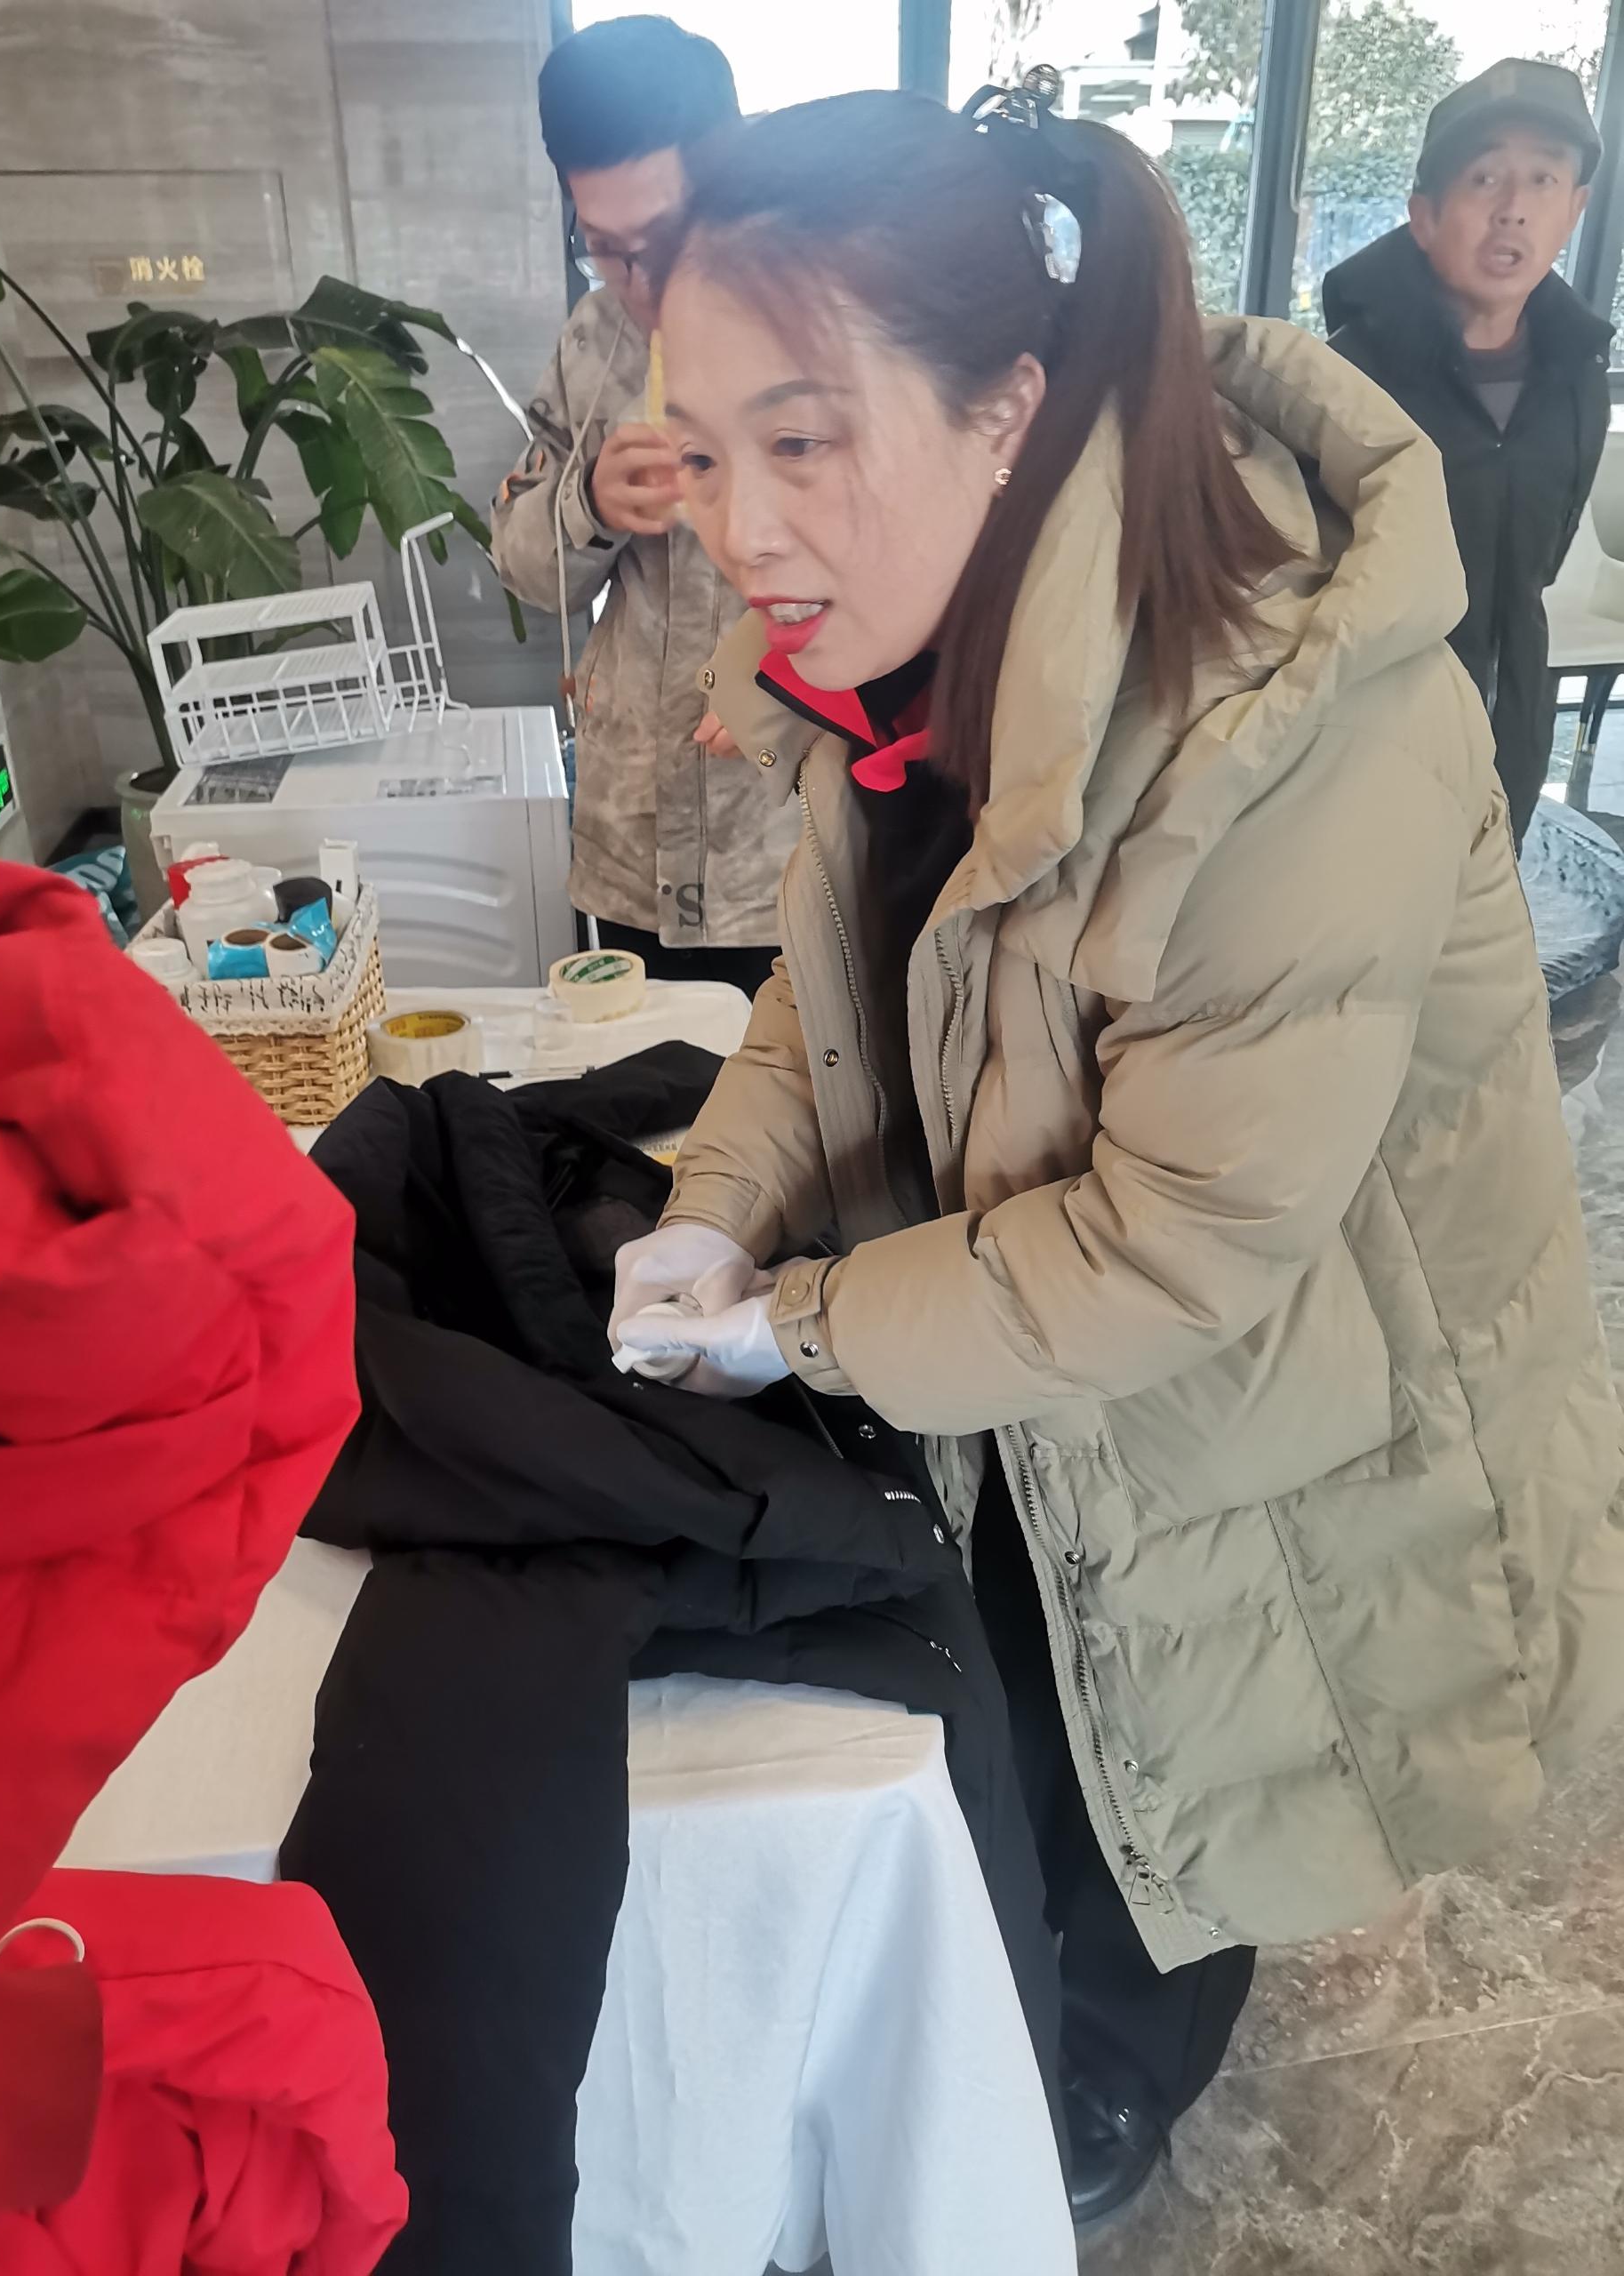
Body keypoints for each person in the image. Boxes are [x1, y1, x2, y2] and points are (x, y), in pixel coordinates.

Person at [607, 88, 1624, 2230]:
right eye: (701, 452)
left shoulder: (1286, 717)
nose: (741, 525)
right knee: (1040, 1659)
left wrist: (799, 1320)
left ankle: (1122, 2061)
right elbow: (829, 990)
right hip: (1033, 1332)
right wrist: (715, 1204)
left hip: (1274, 1383)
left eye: (804, 439)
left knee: (1187, 1725)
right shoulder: (900, 650)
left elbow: (1178, 1244)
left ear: (1005, 410)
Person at [490, 13, 793, 991]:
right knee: (639, 1086)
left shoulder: (827, 325)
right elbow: (524, 566)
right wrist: (587, 504)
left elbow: (931, 564)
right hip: (632, 843)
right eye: (607, 249)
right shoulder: (594, 341)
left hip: (786, 849)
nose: (643, 285)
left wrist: (808, 665)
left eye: (664, 242)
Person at [1324, 59, 1612, 846]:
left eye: (1544, 180)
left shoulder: (1578, 380)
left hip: (1512, 726)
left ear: (1576, 209)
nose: (1514, 209)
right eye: (1485, 178)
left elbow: (1540, 564)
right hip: (1362, 738)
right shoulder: (1343, 381)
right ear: (1424, 216)